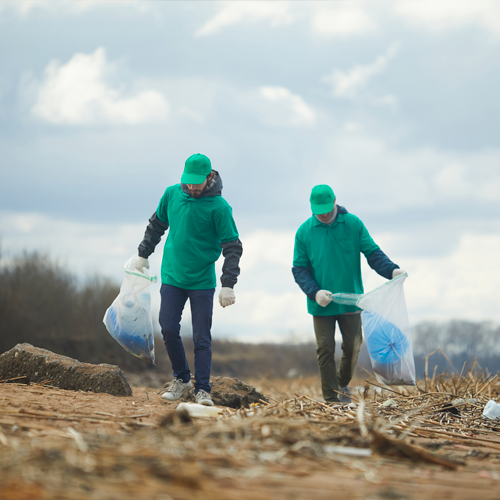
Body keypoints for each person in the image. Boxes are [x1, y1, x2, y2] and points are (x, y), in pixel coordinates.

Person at [135, 153, 242, 406]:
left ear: (209, 177)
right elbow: (156, 225)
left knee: (201, 337)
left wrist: (228, 283)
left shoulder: (220, 208)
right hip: (172, 275)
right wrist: (142, 254)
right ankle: (182, 380)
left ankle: (203, 389)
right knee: (168, 327)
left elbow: (233, 247)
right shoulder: (172, 194)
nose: (192, 187)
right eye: (189, 181)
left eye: (198, 182)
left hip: (202, 281)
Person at [292, 185, 404, 404]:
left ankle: (342, 383)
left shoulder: (353, 224)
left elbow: (372, 253)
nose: (323, 214)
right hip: (321, 303)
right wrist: (314, 292)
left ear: (335, 200)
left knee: (353, 345)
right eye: (318, 210)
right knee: (324, 348)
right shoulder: (304, 231)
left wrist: (392, 270)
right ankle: (333, 398)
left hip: (352, 301)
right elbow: (299, 269)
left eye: (326, 208)